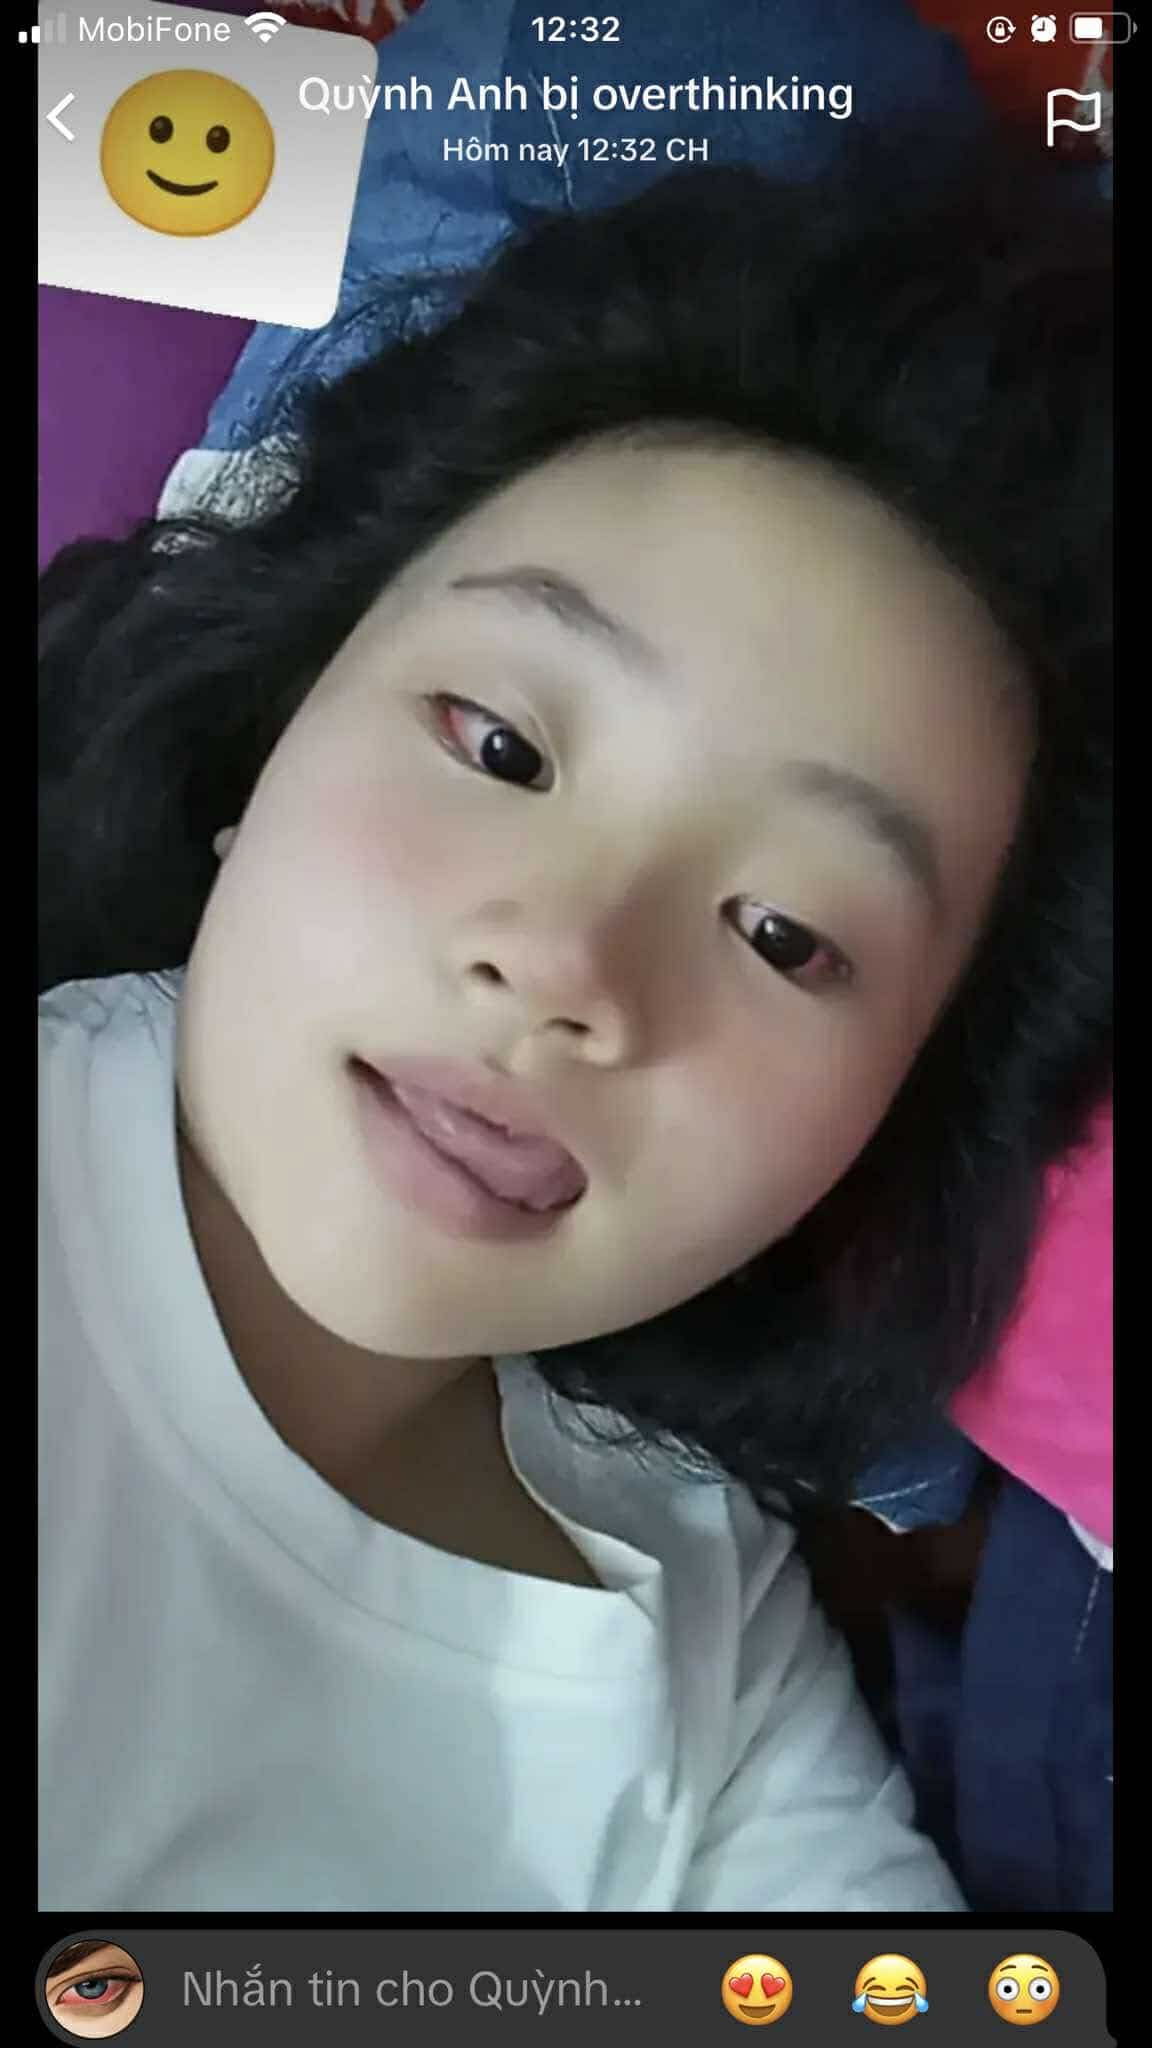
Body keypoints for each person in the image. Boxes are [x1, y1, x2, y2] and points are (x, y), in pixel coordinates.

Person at [38, 131, 1112, 1912]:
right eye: (502, 747)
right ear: (273, 718)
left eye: (783, 934)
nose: (567, 969)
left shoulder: (709, 1625)